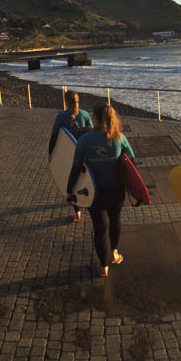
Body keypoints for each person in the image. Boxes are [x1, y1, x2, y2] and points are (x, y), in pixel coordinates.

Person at [68, 102, 135, 277]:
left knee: (100, 228)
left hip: (94, 192)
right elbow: (131, 164)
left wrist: (69, 189)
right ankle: (114, 253)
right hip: (116, 191)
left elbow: (76, 168)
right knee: (115, 221)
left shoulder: (84, 140)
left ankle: (103, 266)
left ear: (96, 118)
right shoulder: (119, 137)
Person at [48, 90, 94, 222]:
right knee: (86, 178)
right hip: (85, 153)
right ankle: (89, 200)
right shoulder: (84, 114)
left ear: (66, 102)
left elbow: (55, 135)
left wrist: (50, 152)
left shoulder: (61, 117)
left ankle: (78, 211)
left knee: (71, 182)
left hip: (70, 154)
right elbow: (90, 132)